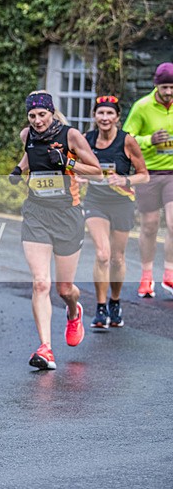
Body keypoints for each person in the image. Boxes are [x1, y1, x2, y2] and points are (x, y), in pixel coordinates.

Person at [8, 91, 101, 370]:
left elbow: (96, 171)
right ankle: (45, 349)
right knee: (40, 283)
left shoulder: (71, 136)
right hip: (36, 213)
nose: (37, 121)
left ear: (51, 112)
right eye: (32, 116)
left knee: (64, 288)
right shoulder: (27, 135)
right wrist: (18, 169)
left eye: (42, 115)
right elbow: (30, 155)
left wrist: (68, 162)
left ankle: (74, 311)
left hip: (67, 215)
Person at [78, 96, 148, 328]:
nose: (105, 117)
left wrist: (124, 179)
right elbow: (75, 166)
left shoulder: (127, 141)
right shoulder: (86, 140)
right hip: (96, 201)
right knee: (102, 254)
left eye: (110, 113)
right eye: (101, 113)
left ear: (117, 117)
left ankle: (115, 302)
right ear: (94, 116)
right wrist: (79, 176)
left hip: (122, 203)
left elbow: (144, 175)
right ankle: (100, 308)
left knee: (117, 259)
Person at [122, 62, 173, 298]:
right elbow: (127, 137)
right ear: (156, 85)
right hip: (148, 172)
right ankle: (146, 276)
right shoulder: (142, 107)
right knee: (150, 225)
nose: (169, 92)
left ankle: (169, 274)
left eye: (172, 87)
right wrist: (149, 140)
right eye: (165, 87)